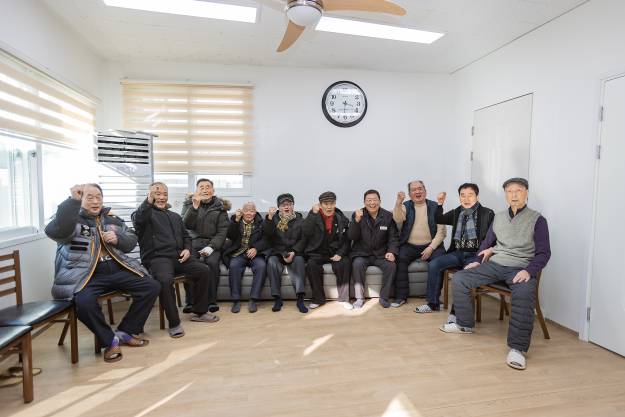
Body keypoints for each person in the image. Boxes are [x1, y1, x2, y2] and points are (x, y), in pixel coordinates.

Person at [440, 178, 551, 371]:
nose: (514, 195)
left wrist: (529, 271)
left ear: (526, 193)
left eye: (518, 191)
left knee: (524, 293)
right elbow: (487, 242)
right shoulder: (499, 217)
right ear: (505, 195)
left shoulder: (537, 220)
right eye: (509, 191)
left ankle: (517, 349)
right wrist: (477, 260)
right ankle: (464, 324)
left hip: (520, 268)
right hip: (495, 264)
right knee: (460, 278)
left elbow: (544, 253)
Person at [45, 184, 160, 363]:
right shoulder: (70, 218)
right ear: (80, 199)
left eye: (98, 196)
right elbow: (56, 231)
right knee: (84, 303)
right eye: (89, 197)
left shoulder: (112, 218)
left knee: (151, 286)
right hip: (85, 274)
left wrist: (118, 238)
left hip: (116, 267)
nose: (95, 201)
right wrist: (72, 201)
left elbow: (131, 240)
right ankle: (110, 340)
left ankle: (125, 332)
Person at [132, 182, 219, 339]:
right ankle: (174, 323)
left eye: (164, 194)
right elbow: (139, 218)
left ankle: (200, 312)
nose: (162, 197)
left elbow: (186, 236)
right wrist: (148, 201)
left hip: (179, 256)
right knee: (165, 281)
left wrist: (187, 249)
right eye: (157, 194)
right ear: (150, 196)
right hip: (158, 258)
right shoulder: (143, 214)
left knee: (204, 270)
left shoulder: (174, 216)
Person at [414, 183, 494, 316]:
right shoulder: (457, 212)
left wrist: (484, 255)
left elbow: (493, 238)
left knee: (461, 276)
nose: (466, 199)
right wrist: (440, 204)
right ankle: (432, 303)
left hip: (476, 255)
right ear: (459, 197)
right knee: (434, 264)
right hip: (458, 253)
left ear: (477, 197)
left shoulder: (487, 213)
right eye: (463, 195)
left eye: (470, 195)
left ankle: (456, 314)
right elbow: (438, 219)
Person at [392, 180, 446, 307]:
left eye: (420, 188)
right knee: (399, 258)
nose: (417, 191)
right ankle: (401, 297)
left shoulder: (435, 206)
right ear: (410, 194)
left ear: (425, 191)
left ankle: (433, 298)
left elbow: (442, 232)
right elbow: (397, 218)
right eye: (414, 190)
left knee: (439, 261)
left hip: (431, 245)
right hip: (409, 245)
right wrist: (398, 202)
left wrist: (431, 248)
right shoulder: (405, 206)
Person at [181, 178, 230, 313]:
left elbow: (222, 231)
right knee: (190, 264)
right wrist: (194, 207)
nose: (205, 190)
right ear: (196, 191)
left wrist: (211, 246)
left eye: (208, 187)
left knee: (212, 263)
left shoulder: (221, 208)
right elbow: (185, 225)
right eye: (201, 187)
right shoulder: (189, 204)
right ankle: (190, 301)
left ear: (213, 191)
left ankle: (211, 301)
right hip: (193, 242)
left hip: (212, 243)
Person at [348, 189, 398, 309]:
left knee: (391, 266)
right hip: (362, 253)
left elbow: (393, 237)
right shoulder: (358, 215)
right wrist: (356, 221)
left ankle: (384, 297)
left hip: (381, 254)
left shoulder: (388, 216)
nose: (372, 203)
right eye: (369, 200)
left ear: (380, 201)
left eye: (375, 200)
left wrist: (391, 252)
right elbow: (352, 237)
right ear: (364, 202)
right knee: (357, 264)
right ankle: (359, 298)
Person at [302, 191, 351, 310]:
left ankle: (344, 299)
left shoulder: (341, 218)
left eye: (332, 203)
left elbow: (346, 240)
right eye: (326, 204)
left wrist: (340, 253)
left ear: (335, 203)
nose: (329, 207)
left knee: (345, 263)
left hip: (334, 252)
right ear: (320, 205)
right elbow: (306, 232)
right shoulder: (314, 215)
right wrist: (313, 214)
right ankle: (318, 299)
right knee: (311, 265)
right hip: (317, 252)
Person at [264, 193, 308, 313]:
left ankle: (300, 299)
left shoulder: (300, 220)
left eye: (289, 204)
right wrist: (269, 218)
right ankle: (277, 299)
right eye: (283, 205)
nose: (286, 207)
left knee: (299, 261)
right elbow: (268, 236)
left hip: (295, 252)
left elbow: (304, 239)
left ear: (293, 206)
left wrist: (294, 252)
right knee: (272, 261)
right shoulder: (273, 219)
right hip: (278, 252)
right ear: (279, 207)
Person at [223, 202, 269, 313]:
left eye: (252, 211)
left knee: (261, 266)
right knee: (234, 266)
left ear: (255, 212)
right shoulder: (235, 220)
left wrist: (256, 248)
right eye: (246, 210)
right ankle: (236, 300)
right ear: (242, 212)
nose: (249, 213)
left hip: (254, 254)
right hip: (238, 253)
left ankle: (253, 299)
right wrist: (236, 220)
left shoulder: (261, 223)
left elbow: (266, 239)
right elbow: (230, 235)